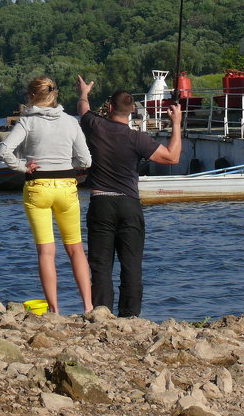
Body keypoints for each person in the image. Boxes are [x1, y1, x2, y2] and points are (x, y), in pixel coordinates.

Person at [77, 75, 181, 318]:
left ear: (110, 107)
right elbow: (172, 157)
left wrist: (84, 91)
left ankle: (102, 315)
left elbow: (83, 108)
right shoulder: (138, 139)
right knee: (131, 266)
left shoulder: (95, 126)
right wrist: (176, 123)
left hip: (101, 202)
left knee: (101, 266)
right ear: (132, 111)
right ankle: (130, 317)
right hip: (129, 204)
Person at [0, 76, 93, 315]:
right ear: (55, 95)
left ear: (31, 97)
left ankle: (54, 309)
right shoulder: (71, 122)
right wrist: (65, 163)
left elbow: (4, 150)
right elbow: (86, 161)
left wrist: (22, 166)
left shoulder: (26, 123)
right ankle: (89, 307)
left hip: (38, 187)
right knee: (76, 249)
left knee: (47, 252)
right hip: (66, 188)